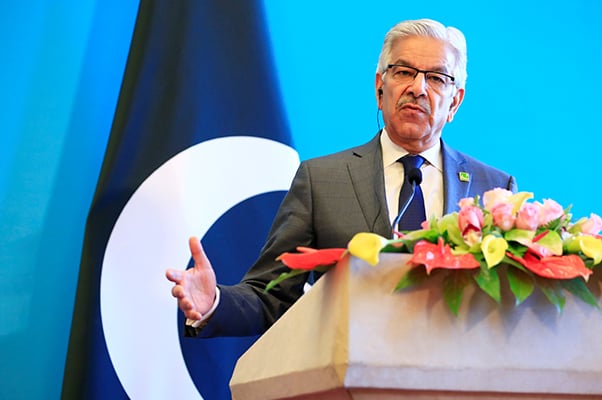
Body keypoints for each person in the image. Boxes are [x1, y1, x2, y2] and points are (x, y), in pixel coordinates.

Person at [165, 18, 517, 337]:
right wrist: (214, 302)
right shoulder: (321, 181)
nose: (418, 88)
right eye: (404, 72)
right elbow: (270, 296)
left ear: (455, 102)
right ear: (380, 88)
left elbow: (508, 307)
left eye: (437, 78)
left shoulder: (495, 190)